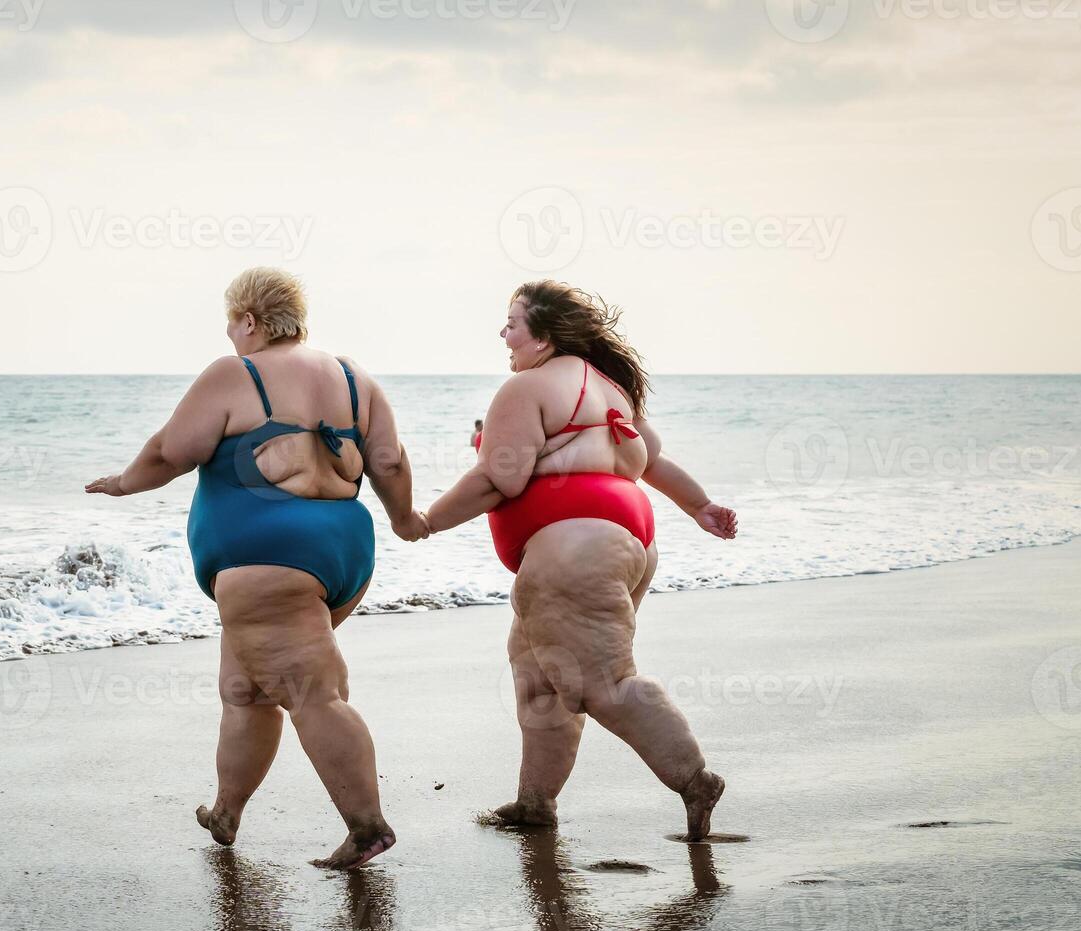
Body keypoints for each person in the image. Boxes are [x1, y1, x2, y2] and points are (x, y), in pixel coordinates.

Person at [86, 267, 428, 869]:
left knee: (312, 693)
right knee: (245, 692)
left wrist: (123, 483)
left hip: (269, 560)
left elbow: (172, 451)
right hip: (342, 553)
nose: (229, 337)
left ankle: (368, 826)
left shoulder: (234, 374)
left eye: (231, 324)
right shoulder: (354, 377)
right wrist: (403, 518)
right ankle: (226, 810)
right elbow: (390, 462)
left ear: (250, 320)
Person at [416, 280, 738, 842]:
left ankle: (695, 779)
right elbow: (654, 462)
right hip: (626, 542)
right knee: (538, 677)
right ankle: (534, 802)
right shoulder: (608, 388)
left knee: (604, 682)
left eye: (513, 322)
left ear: (542, 337)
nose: (504, 333)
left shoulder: (528, 387)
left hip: (576, 549)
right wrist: (701, 507)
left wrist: (424, 523)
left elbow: (498, 478)